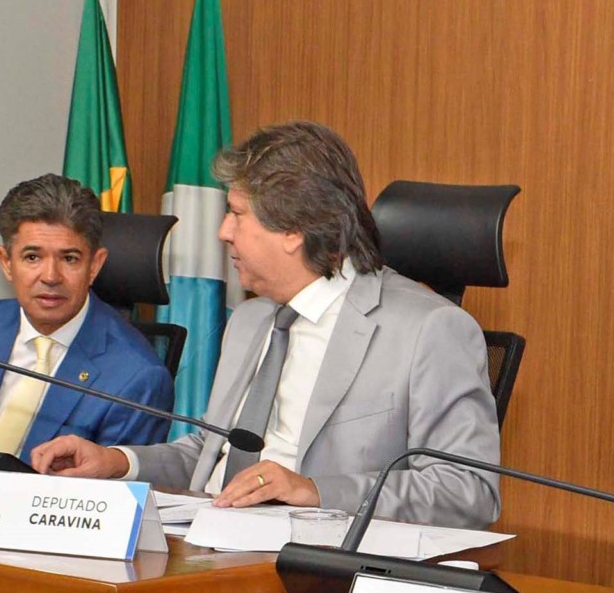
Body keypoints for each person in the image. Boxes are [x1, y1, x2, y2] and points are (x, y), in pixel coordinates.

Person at [33, 121, 500, 528]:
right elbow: (210, 455)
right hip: (205, 540)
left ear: (294, 229)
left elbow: (469, 492)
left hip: (311, 568)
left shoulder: (429, 329)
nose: (223, 232)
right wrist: (116, 462)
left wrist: (314, 491)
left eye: (237, 214)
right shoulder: (253, 319)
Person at [0, 175, 172, 457]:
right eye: (32, 257)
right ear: (6, 262)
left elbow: (108, 496)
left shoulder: (137, 378)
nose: (51, 277)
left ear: (95, 265)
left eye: (69, 259)